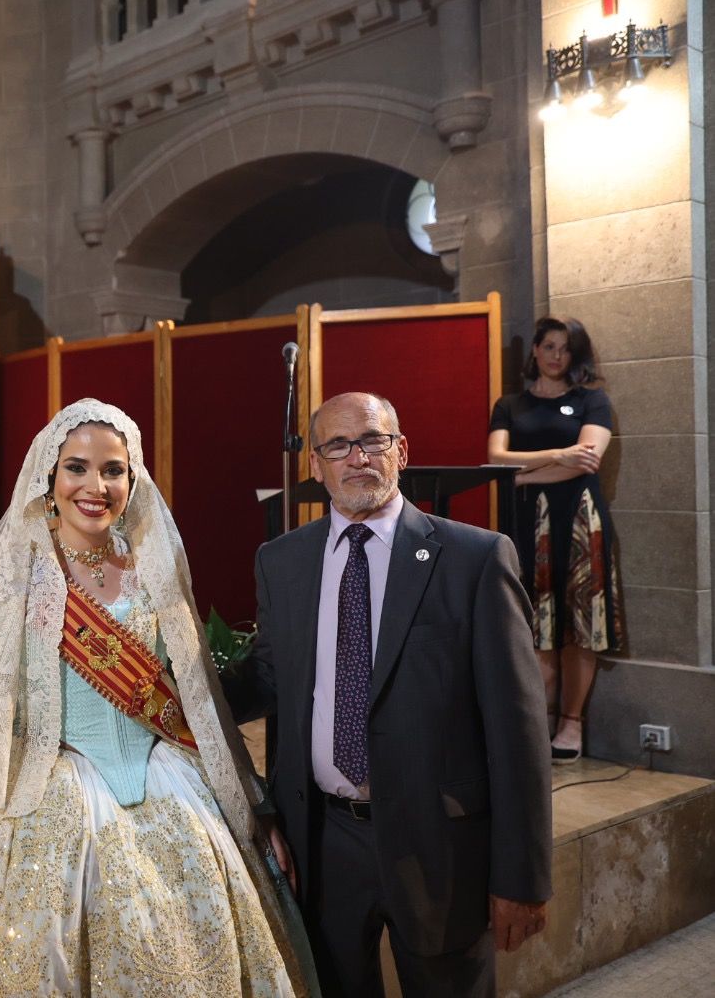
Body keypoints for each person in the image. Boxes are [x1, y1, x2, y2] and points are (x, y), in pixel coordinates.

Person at [0, 399, 309, 997]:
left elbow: (200, 708)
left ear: (133, 478)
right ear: (49, 477)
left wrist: (252, 806)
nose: (95, 487)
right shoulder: (12, 579)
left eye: (113, 470)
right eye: (77, 468)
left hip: (171, 786)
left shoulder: (155, 568)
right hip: (53, 798)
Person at [229, 392, 551, 997]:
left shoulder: (474, 558)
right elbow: (271, 675)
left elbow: (519, 729)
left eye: (373, 441)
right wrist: (181, 689)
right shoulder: (283, 561)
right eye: (338, 446)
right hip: (321, 842)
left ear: (401, 452)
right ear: (317, 466)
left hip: (440, 844)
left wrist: (523, 876)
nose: (358, 458)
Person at [488, 317, 623, 762]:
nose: (555, 356)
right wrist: (558, 454)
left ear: (575, 355)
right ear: (535, 351)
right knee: (536, 619)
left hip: (581, 519)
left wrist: (525, 474)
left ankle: (571, 722)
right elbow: (495, 459)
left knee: (579, 620)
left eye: (565, 349)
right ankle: (539, 716)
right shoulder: (509, 405)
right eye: (548, 346)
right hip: (529, 523)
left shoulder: (592, 401)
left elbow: (588, 461)